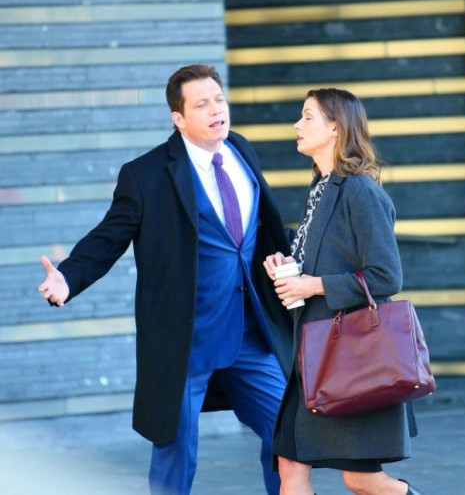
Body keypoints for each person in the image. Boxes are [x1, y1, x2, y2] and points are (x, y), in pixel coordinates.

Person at [38, 64, 293, 495]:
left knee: (287, 433)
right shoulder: (146, 174)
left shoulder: (241, 149)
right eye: (201, 104)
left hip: (250, 331)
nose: (216, 110)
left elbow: (261, 228)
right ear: (179, 118)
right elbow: (109, 237)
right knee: (176, 452)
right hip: (185, 338)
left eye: (219, 99)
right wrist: (68, 277)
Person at [263, 88, 424, 495]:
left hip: (350, 359)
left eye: (307, 116)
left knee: (363, 480)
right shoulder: (321, 188)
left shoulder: (360, 191)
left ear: (335, 127)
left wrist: (313, 285)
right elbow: (327, 257)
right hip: (313, 356)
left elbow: (386, 276)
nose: (297, 125)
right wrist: (287, 262)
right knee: (290, 466)